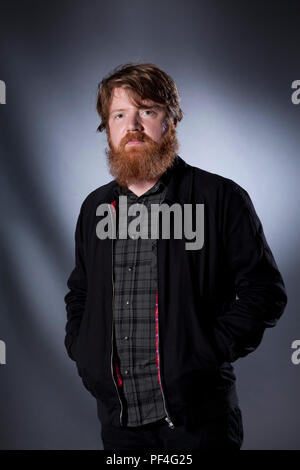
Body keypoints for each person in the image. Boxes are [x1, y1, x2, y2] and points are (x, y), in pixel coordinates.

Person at [64, 63, 288, 451]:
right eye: (120, 115)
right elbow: (79, 292)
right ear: (108, 128)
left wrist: (204, 352)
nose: (133, 125)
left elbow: (264, 291)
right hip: (120, 425)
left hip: (199, 423)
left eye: (147, 111)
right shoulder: (94, 208)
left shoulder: (220, 198)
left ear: (171, 120)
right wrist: (82, 350)